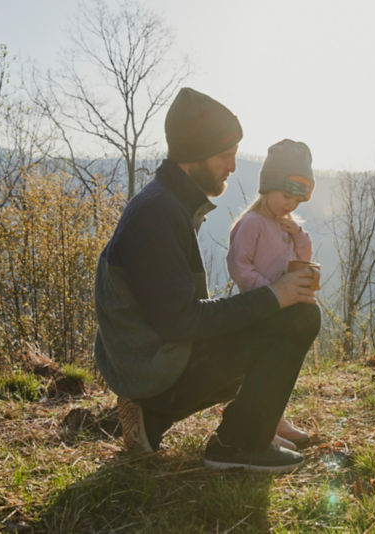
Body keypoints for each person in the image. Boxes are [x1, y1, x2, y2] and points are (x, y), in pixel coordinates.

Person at [93, 87, 321, 473]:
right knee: (296, 318)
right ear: (192, 155)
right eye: (224, 155)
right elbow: (181, 322)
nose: (232, 166)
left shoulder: (167, 203)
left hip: (148, 361)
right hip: (153, 369)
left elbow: (173, 313)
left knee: (278, 312)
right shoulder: (157, 215)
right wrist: (273, 298)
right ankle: (238, 444)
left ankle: (158, 419)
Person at [226, 138, 316, 451]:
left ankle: (273, 417)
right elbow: (239, 265)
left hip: (283, 305)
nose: (290, 205)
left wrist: (300, 237)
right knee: (262, 366)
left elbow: (299, 262)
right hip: (258, 307)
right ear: (268, 186)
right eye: (285, 195)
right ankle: (259, 423)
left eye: (297, 200)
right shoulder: (253, 224)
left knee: (280, 364)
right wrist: (268, 292)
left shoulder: (286, 226)